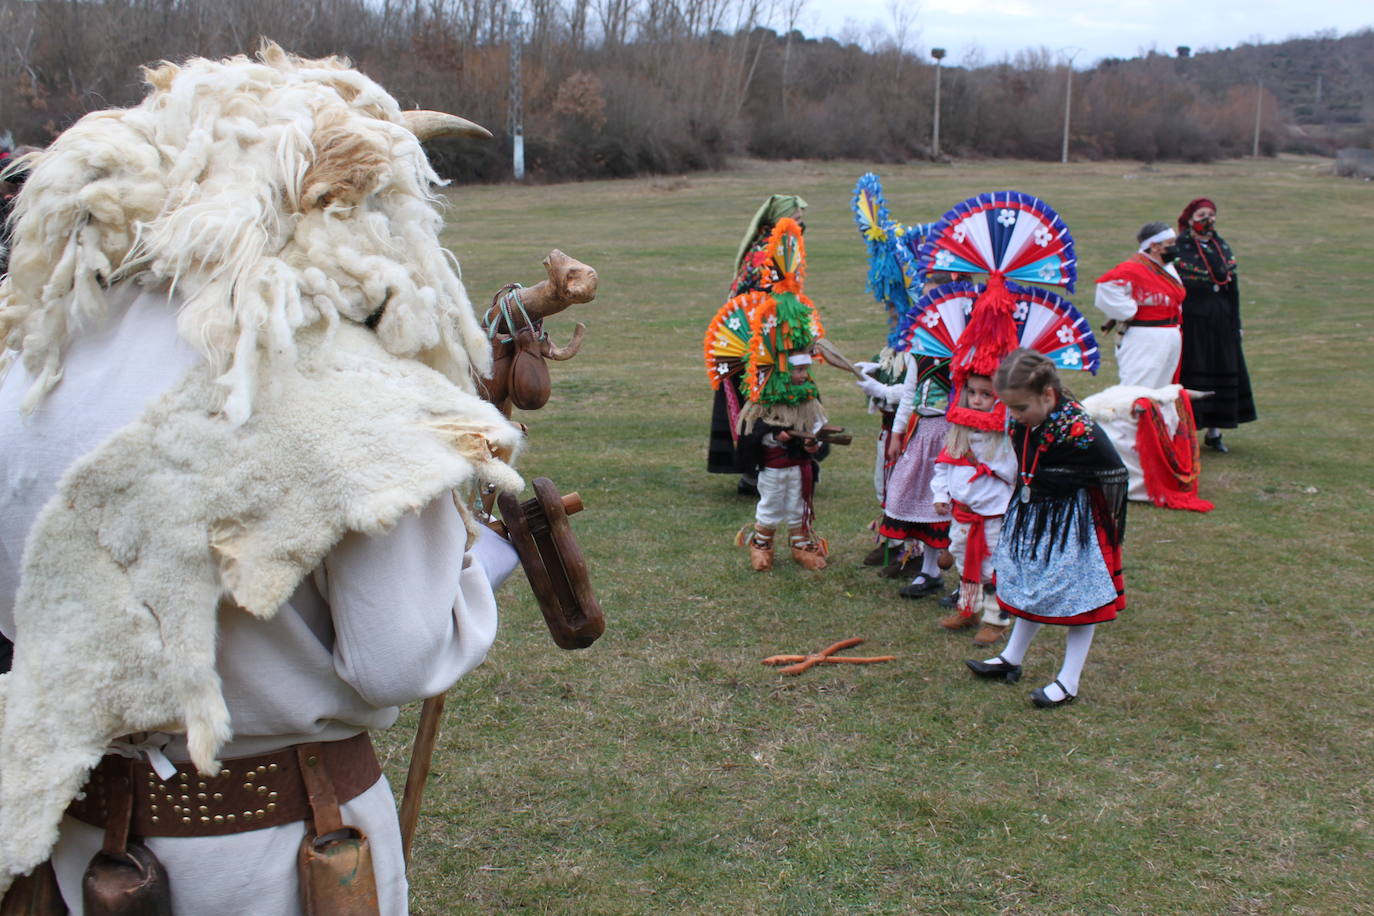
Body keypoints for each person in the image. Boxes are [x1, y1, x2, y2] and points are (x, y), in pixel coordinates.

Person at [0, 45, 524, 913]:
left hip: (69, 848)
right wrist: (473, 574)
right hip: (279, 859)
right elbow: (398, 652)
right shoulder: (344, 376)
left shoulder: (31, 363)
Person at [965, 349, 1128, 708]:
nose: (1013, 416)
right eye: (1009, 407)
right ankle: (1012, 658)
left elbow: (1114, 472)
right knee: (1030, 582)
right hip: (1033, 513)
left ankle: (1068, 681)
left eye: (1020, 408)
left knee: (1078, 596)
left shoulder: (1079, 429)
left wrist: (1060, 482)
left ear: (1048, 396)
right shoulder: (1021, 420)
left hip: (1073, 524)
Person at [732, 218, 830, 571]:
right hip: (774, 467)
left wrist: (815, 444)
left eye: (807, 369)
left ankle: (803, 545)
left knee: (800, 503)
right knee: (772, 503)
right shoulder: (763, 400)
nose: (803, 374)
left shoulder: (809, 399)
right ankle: (761, 544)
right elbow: (750, 434)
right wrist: (775, 436)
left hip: (800, 467)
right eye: (797, 369)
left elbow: (821, 428)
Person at [707, 194, 807, 492]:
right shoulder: (769, 253)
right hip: (760, 346)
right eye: (797, 220)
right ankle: (762, 471)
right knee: (765, 407)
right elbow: (770, 302)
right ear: (779, 221)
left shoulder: (775, 247)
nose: (802, 225)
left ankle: (768, 469)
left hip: (761, 342)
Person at [930, 373, 1017, 645]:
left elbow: (1013, 473)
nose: (977, 400)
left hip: (992, 516)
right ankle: (968, 608)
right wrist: (940, 494)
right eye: (972, 392)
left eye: (986, 394)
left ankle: (996, 620)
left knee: (992, 567)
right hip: (962, 513)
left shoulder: (1004, 438)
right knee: (962, 557)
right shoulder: (958, 433)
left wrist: (985, 462)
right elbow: (943, 467)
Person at [1174, 198, 1256, 453]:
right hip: (1193, 320)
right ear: (1190, 219)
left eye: (1211, 213)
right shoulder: (1179, 248)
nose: (1207, 218)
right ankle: (1187, 431)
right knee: (1194, 371)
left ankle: (1215, 431)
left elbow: (1233, 288)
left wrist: (1236, 322)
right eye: (1202, 214)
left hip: (1220, 320)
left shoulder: (1221, 246)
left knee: (1221, 368)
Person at [1093, 222, 1186, 388]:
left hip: (1169, 333)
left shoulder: (1167, 268)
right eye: (1170, 244)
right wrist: (1128, 311)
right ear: (1154, 246)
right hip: (1145, 337)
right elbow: (1106, 287)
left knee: (1162, 389)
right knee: (1138, 388)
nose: (1174, 247)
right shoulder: (1133, 269)